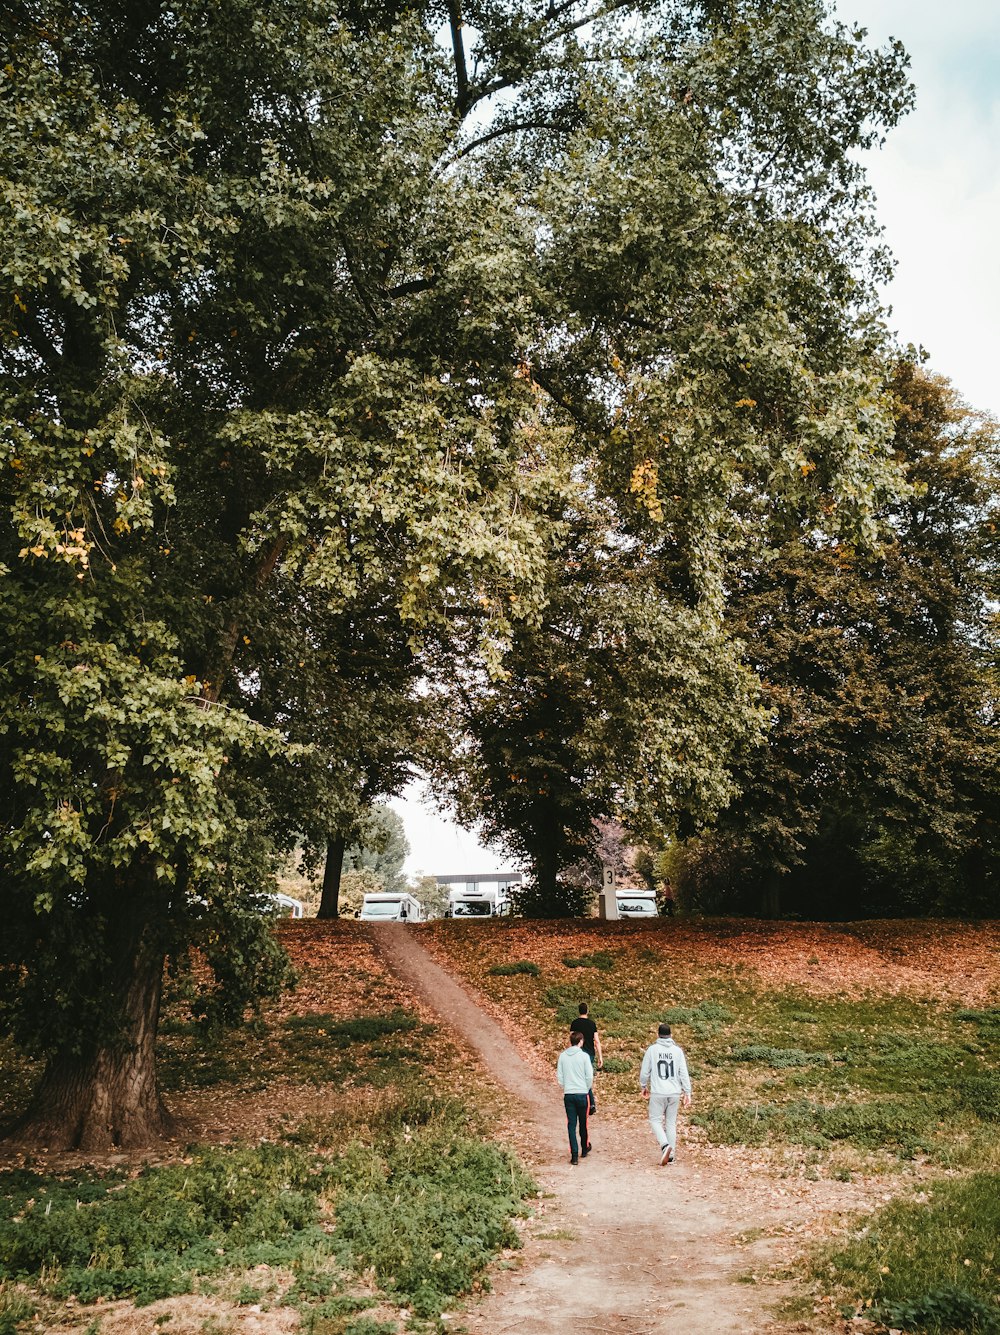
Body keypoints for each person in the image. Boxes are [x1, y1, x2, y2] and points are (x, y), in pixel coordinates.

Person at [639, 1022, 692, 1165]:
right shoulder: (677, 1051)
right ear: (671, 1035)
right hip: (674, 1092)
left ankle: (664, 1145)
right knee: (670, 1123)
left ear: (658, 1035)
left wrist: (643, 1086)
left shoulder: (652, 1050)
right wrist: (687, 1092)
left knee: (655, 1120)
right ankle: (672, 1155)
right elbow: (683, 1073)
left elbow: (645, 1071)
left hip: (658, 1091)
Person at [556, 1030, 593, 1165]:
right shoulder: (584, 1057)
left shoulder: (563, 1056)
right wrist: (586, 1088)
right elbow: (589, 1076)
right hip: (582, 1093)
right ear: (581, 1041)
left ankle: (574, 1154)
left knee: (571, 1124)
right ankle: (584, 1147)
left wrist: (566, 1086)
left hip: (569, 1094)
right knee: (583, 1123)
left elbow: (559, 1077)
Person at [570, 1002, 603, 1115]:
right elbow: (597, 1041)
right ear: (587, 1011)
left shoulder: (574, 1023)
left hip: (576, 1053)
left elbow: (570, 1040)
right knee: (586, 1079)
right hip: (590, 1054)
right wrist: (600, 1056)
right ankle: (591, 1103)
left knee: (578, 1078)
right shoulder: (592, 1024)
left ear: (579, 1011)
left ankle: (584, 1103)